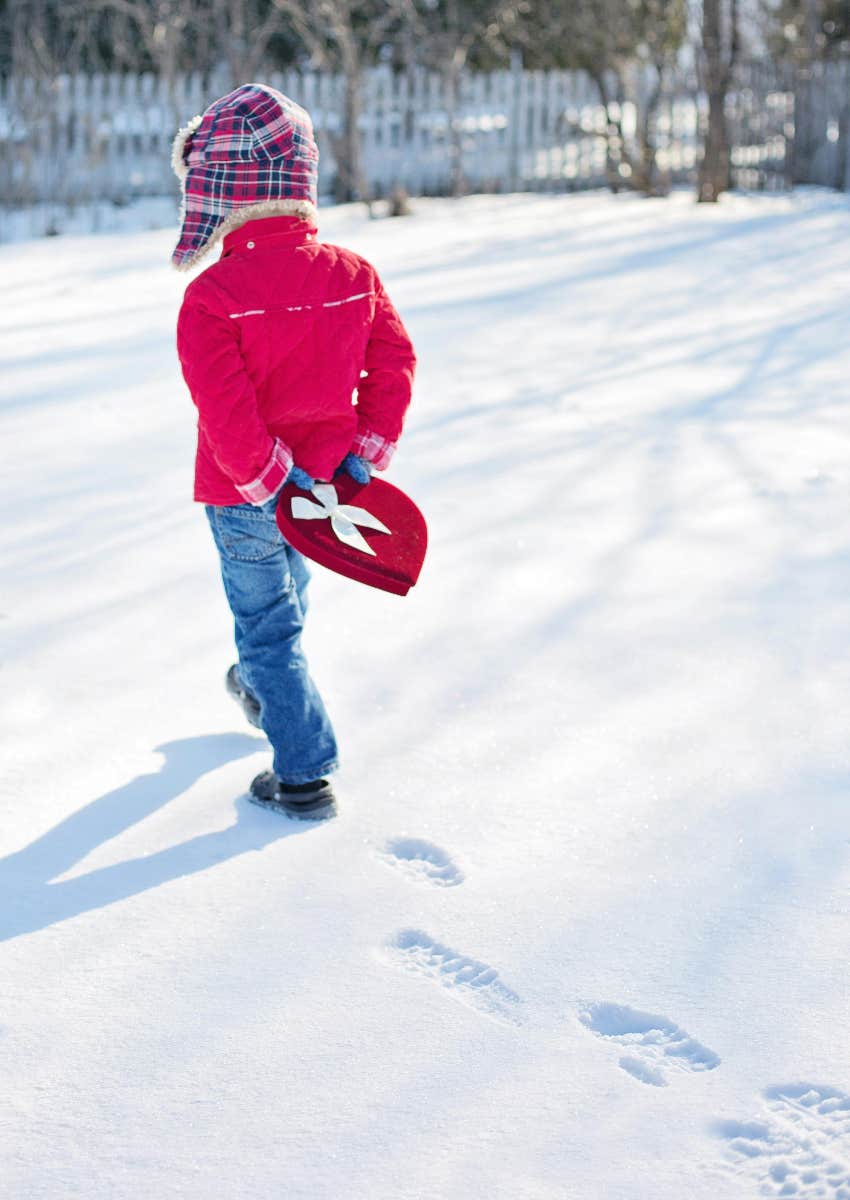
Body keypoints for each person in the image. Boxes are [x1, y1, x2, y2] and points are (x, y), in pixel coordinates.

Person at [173, 84, 416, 819]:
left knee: (267, 623)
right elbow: (394, 362)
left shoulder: (212, 295)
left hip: (245, 492)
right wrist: (362, 448)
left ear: (221, 192)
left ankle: (303, 771)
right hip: (321, 486)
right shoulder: (352, 274)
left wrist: (263, 476)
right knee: (285, 601)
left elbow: (226, 408)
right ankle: (262, 683)